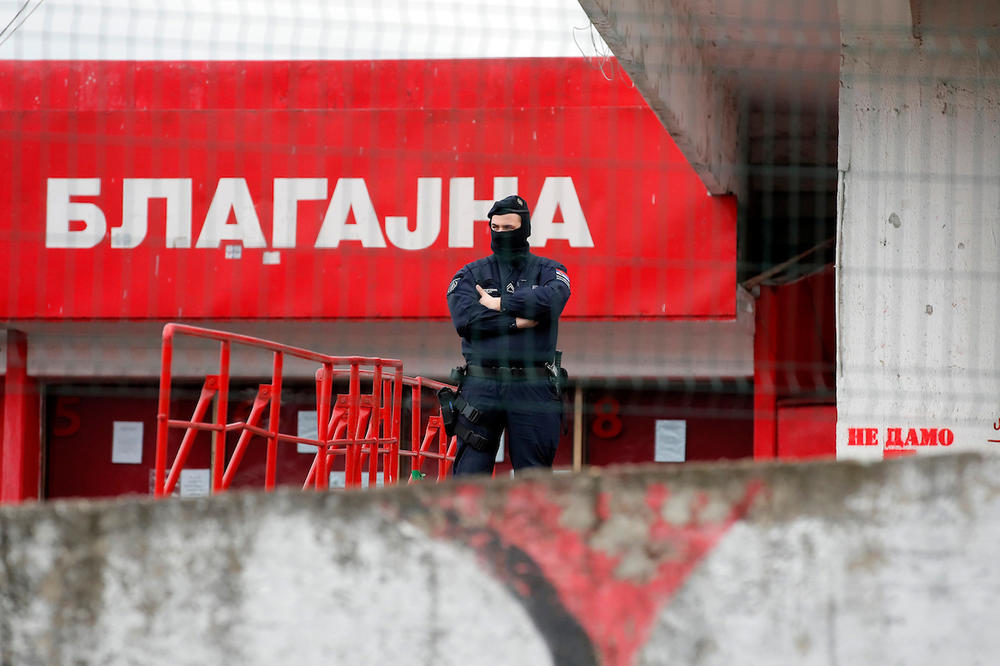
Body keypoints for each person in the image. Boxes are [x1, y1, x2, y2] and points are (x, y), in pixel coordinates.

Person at [444, 194, 571, 476]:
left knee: (533, 479)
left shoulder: (550, 270)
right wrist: (517, 321)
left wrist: (500, 303)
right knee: (469, 477)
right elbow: (466, 320)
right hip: (481, 385)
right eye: (496, 228)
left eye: (509, 228)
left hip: (533, 383)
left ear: (524, 229)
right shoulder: (470, 274)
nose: (501, 234)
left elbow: (552, 301)